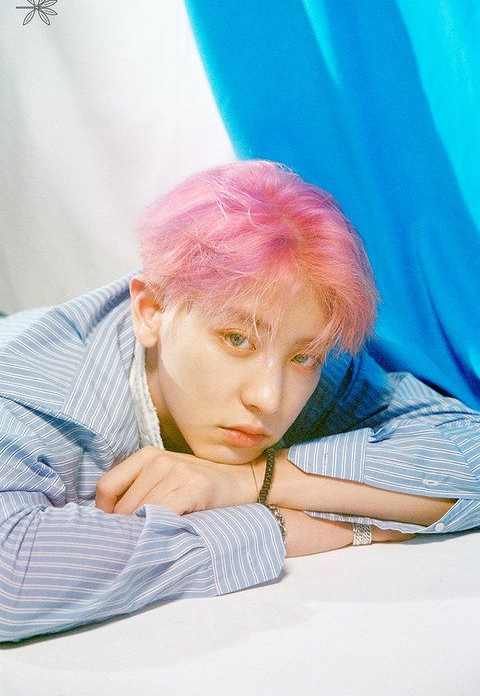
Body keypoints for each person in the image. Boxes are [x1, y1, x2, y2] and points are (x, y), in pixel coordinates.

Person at [0, 160, 479, 643]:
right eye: (236, 339)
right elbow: (9, 580)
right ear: (151, 311)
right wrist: (277, 527)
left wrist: (252, 481)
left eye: (304, 358)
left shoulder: (300, 341)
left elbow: (471, 450)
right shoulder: (28, 392)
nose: (268, 398)